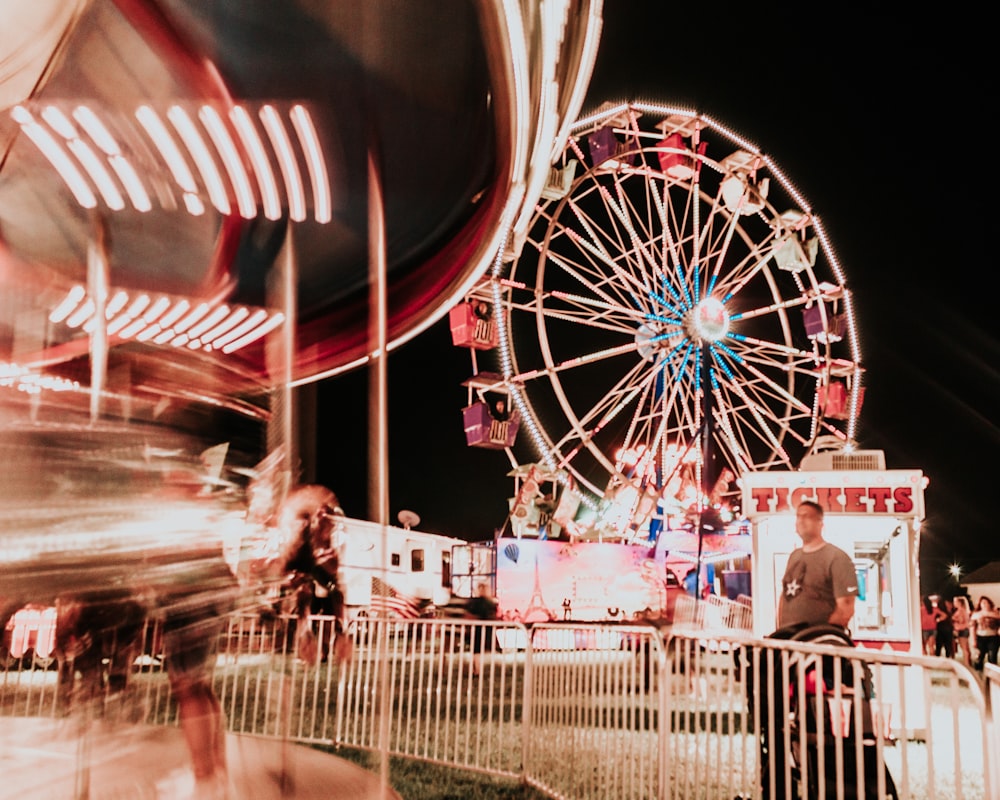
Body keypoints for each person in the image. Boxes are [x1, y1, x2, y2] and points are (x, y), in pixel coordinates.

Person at [777, 501, 857, 631]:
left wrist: (821, 637)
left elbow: (846, 608)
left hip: (820, 644)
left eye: (807, 516)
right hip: (790, 641)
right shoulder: (794, 556)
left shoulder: (837, 557)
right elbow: (785, 596)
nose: (801, 521)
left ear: (820, 523)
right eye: (798, 516)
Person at [466, 582, 497, 676]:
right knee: (478, 651)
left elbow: (468, 614)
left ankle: (476, 669)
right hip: (486, 629)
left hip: (476, 629)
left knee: (475, 651)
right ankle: (477, 669)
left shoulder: (474, 603)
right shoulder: (490, 603)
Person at [971, 596, 1000, 671]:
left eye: (985, 602)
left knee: (992, 657)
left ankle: (992, 675)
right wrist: (973, 640)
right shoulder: (977, 614)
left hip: (993, 637)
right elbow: (972, 627)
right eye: (982, 603)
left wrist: (987, 614)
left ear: (989, 603)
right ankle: (978, 673)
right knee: (979, 657)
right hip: (980, 637)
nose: (984, 604)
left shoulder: (995, 613)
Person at [953, 595, 972, 664]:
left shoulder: (960, 611)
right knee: (966, 647)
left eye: (955, 602)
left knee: (964, 648)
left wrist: (954, 619)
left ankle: (967, 663)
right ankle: (968, 662)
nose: (954, 603)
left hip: (962, 629)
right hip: (965, 629)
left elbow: (961, 621)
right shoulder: (965, 610)